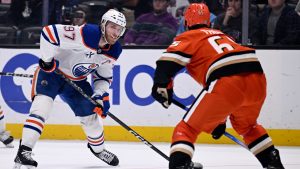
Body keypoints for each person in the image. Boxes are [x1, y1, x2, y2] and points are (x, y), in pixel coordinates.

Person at [151, 3, 285, 169]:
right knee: (248, 127)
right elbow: (225, 98)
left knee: (187, 128)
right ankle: (272, 161)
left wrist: (161, 85)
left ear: (186, 23)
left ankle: (180, 164)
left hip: (226, 80)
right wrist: (218, 121)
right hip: (256, 78)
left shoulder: (189, 36)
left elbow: (167, 62)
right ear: (209, 22)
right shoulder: (224, 35)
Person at [13, 9, 126, 168]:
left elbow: (103, 77)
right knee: (41, 108)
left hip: (77, 82)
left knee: (91, 118)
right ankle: (24, 151)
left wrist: (100, 95)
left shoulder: (114, 50)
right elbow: (48, 32)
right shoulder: (87, 33)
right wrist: (47, 61)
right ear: (103, 25)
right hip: (51, 74)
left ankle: (99, 150)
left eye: (119, 29)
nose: (115, 32)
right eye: (112, 27)